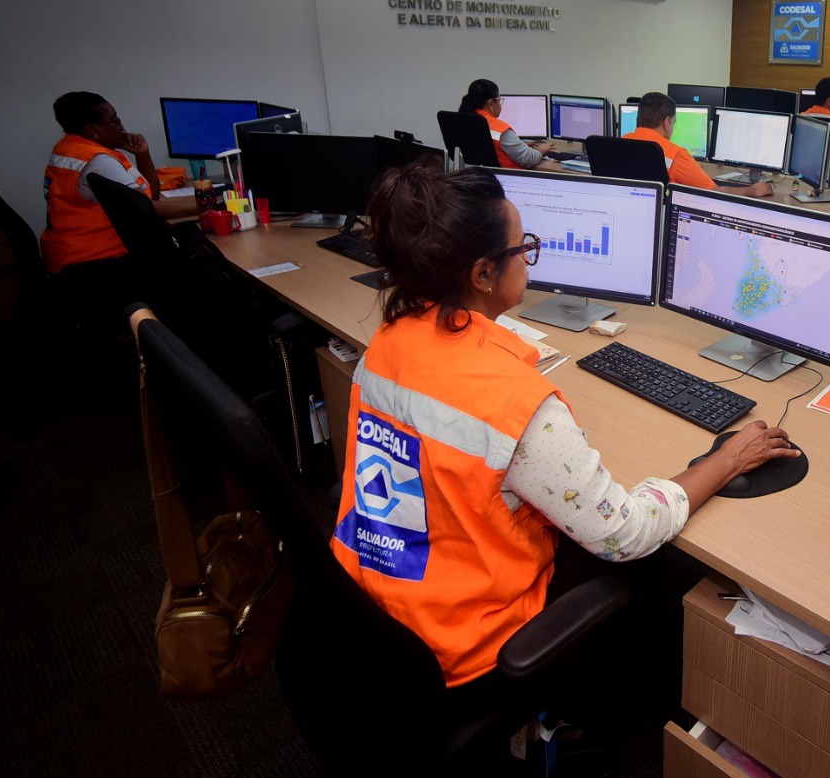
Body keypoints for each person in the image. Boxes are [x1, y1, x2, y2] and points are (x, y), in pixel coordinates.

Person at [330, 162, 796, 690]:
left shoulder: (388, 342)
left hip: (372, 591)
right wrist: (727, 459)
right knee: (651, 564)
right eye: (522, 247)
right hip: (461, 639)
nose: (530, 257)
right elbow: (626, 533)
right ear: (483, 275)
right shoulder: (514, 402)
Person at [40, 91, 196, 276]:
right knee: (193, 261)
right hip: (94, 262)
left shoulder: (68, 147)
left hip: (66, 256)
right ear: (91, 129)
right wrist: (215, 202)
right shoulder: (97, 160)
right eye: (115, 121)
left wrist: (142, 154)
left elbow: (149, 197)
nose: (122, 128)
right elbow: (146, 208)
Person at [624, 92, 775, 197]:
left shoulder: (621, 143)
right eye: (674, 122)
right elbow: (715, 192)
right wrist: (753, 190)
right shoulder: (676, 155)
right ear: (667, 123)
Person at [459, 78, 564, 171]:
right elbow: (529, 159)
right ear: (491, 103)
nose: (500, 104)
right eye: (499, 100)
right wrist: (542, 149)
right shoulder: (499, 129)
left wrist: (520, 144)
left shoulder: (467, 120)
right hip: (510, 178)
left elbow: (488, 146)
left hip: (479, 177)